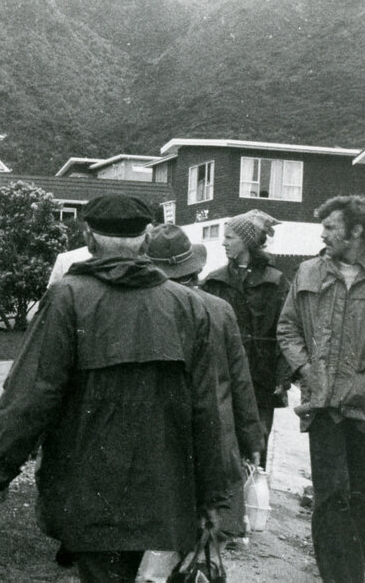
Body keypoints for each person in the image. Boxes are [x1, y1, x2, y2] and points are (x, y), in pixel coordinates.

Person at [0, 194, 225, 583]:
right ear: (146, 238)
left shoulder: (68, 297)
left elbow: (33, 392)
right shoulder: (187, 306)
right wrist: (212, 495)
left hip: (89, 488)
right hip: (163, 490)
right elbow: (207, 407)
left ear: (88, 237)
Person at [277, 195, 365, 583]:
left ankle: (352, 574)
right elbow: (287, 328)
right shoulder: (308, 272)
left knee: (361, 493)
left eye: (330, 227)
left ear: (356, 231)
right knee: (329, 494)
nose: (322, 235)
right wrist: (306, 370)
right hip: (321, 405)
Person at [147, 224, 265, 546]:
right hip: (217, 434)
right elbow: (240, 380)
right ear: (194, 268)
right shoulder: (220, 309)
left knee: (162, 532)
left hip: (162, 434)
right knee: (211, 537)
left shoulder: (146, 307)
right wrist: (252, 438)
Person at [201, 209, 290, 466]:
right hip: (223, 373)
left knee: (257, 441)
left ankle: (254, 488)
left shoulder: (276, 281)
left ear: (248, 241)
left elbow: (286, 330)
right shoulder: (215, 281)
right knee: (222, 439)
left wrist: (283, 376)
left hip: (261, 377)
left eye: (230, 237)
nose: (223, 242)